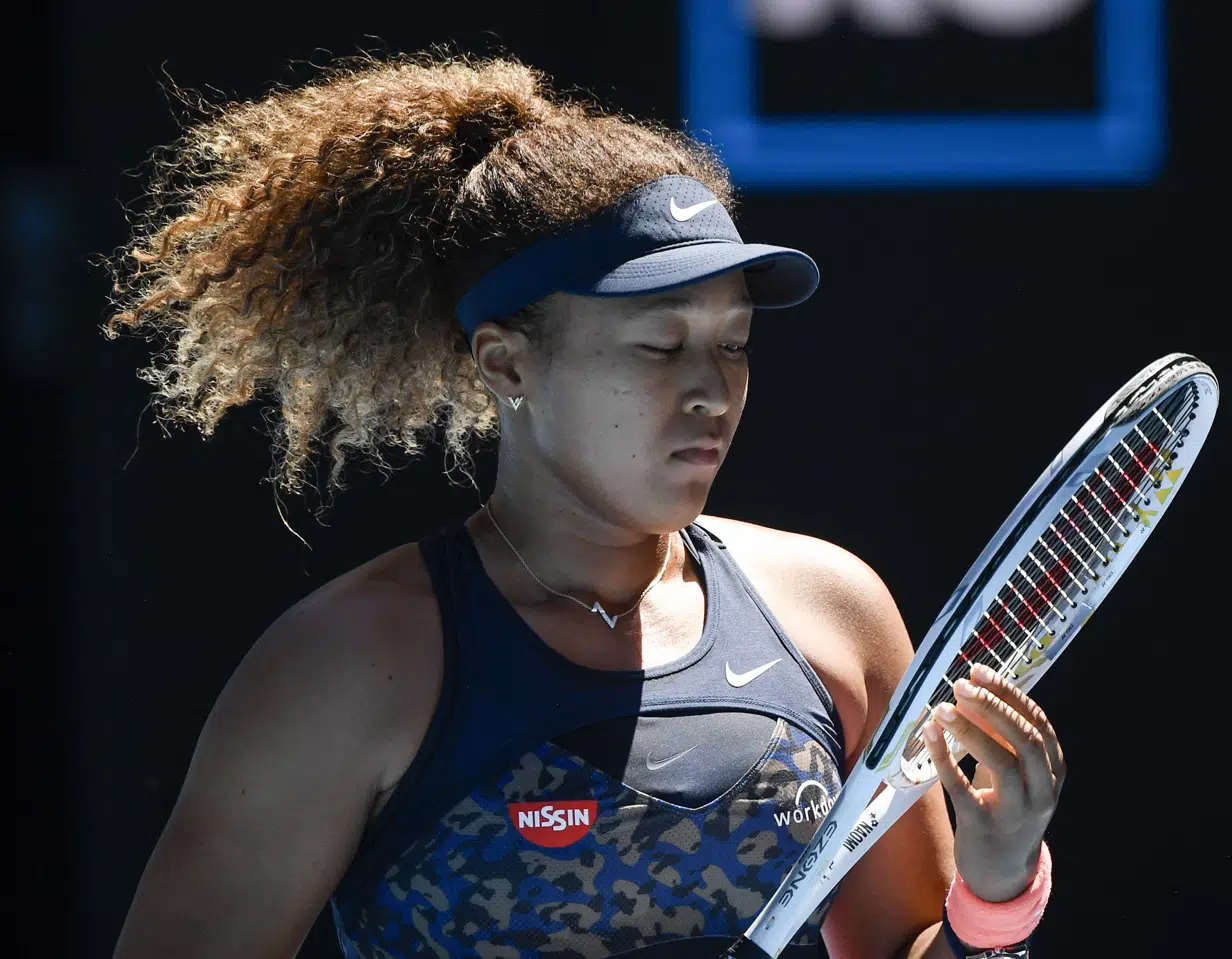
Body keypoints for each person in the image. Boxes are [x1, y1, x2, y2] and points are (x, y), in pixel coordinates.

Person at [103, 53, 1065, 959]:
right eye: (659, 344)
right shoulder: (346, 664)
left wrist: (994, 893)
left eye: (732, 344)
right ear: (508, 362)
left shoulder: (832, 611)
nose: (711, 390)